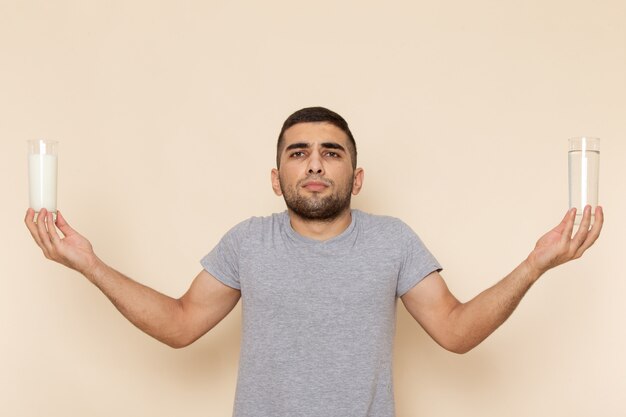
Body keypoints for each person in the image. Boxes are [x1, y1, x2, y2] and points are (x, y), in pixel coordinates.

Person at [25, 107, 604, 417]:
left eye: (332, 153)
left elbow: (455, 331)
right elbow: (180, 324)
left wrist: (536, 263)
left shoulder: (393, 240)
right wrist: (89, 264)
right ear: (277, 179)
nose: (316, 164)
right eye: (299, 153)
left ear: (357, 175)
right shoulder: (248, 242)